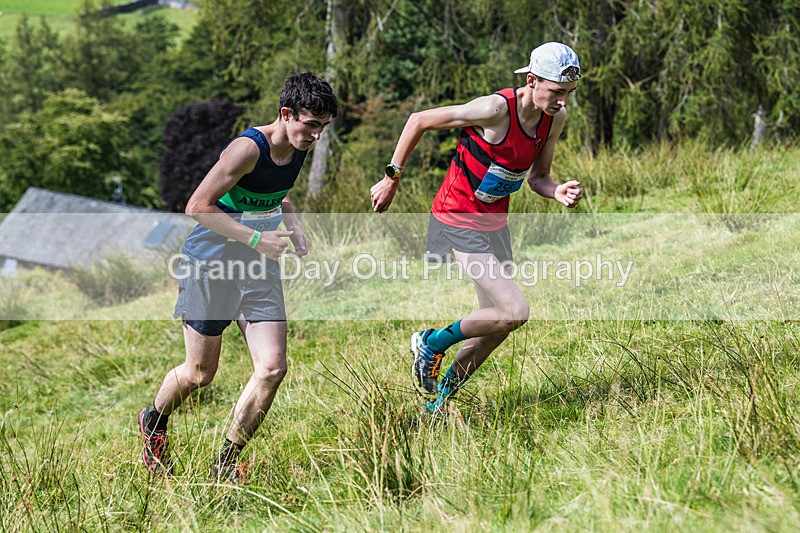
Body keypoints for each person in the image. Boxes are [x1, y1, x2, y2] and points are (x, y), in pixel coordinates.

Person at [138, 72, 338, 480]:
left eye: (323, 126)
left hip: (257, 268)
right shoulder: (247, 148)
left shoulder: (298, 146)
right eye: (311, 125)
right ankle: (154, 421)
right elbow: (197, 206)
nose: (316, 136)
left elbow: (275, 193)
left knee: (272, 368)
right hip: (210, 263)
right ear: (286, 114)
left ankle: (224, 463)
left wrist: (293, 222)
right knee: (199, 374)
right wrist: (256, 240)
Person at [370, 42, 582, 416]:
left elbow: (539, 178)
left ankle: (438, 402)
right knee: (515, 310)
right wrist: (392, 178)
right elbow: (418, 119)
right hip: (457, 217)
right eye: (557, 91)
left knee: (496, 326)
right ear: (532, 80)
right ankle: (430, 342)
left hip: (493, 223)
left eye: (568, 93)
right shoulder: (494, 109)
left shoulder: (555, 118)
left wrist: (557, 191)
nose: (563, 101)